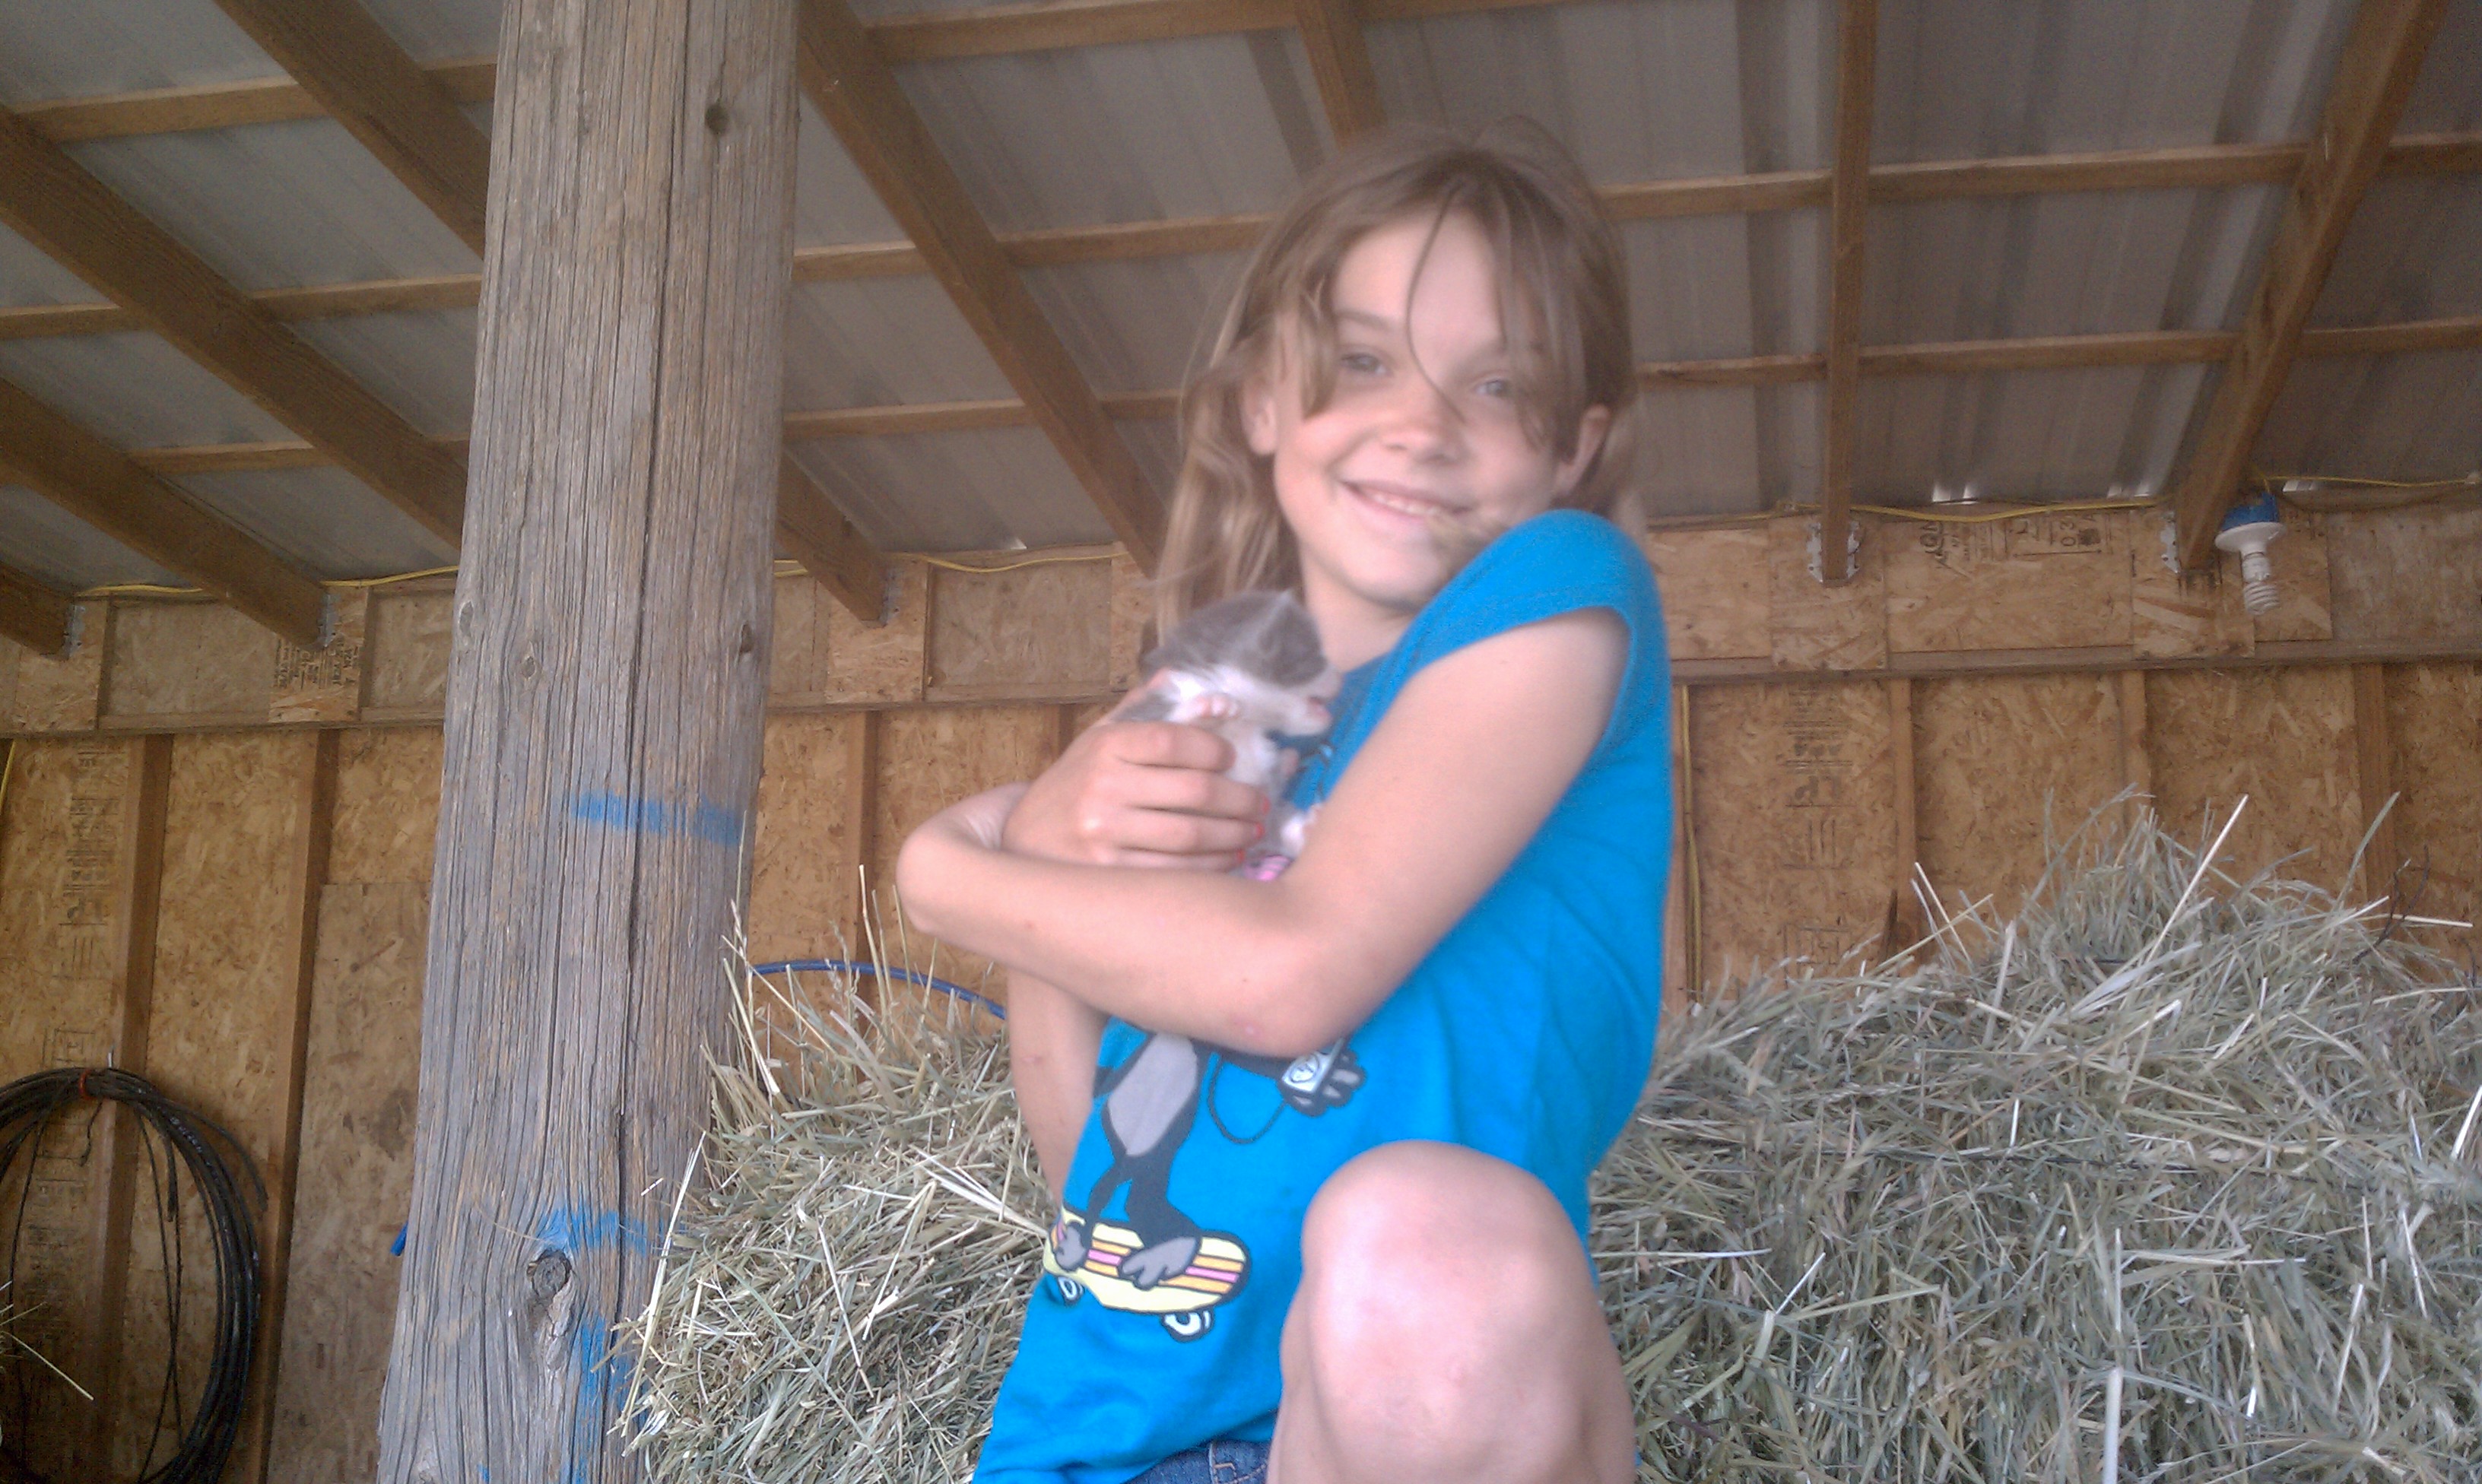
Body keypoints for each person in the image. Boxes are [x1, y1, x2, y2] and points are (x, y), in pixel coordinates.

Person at [894, 121, 1671, 1484]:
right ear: (1263, 401)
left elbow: (1289, 981)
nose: (1421, 424)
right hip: (1098, 1442)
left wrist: (950, 874)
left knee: (1422, 1239)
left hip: (1401, 1415)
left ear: (1574, 447)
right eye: (1363, 361)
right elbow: (1086, 1145)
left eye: (1495, 385)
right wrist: (1054, 850)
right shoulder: (1201, 718)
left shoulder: (1562, 588)